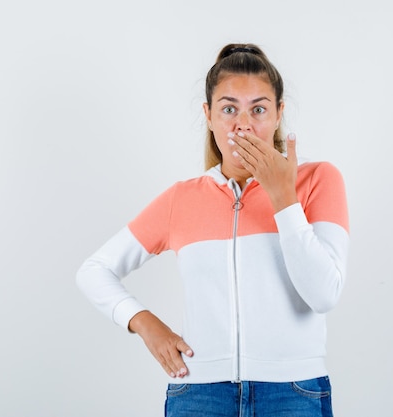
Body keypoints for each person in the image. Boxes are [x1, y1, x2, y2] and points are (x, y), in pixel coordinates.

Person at [76, 43, 349, 417]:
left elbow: (324, 294)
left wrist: (284, 199)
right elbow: (94, 270)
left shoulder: (318, 179)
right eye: (228, 108)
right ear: (208, 115)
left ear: (278, 113)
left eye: (258, 109)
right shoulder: (182, 199)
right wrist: (144, 324)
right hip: (199, 394)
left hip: (294, 393)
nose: (243, 124)